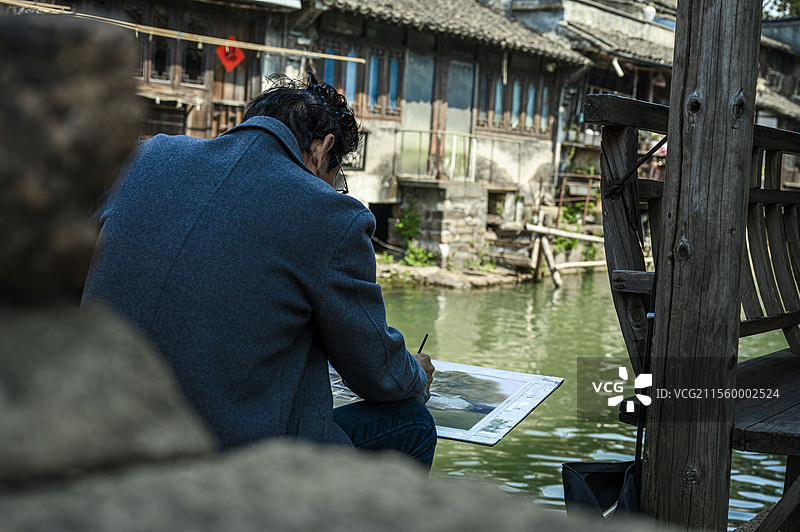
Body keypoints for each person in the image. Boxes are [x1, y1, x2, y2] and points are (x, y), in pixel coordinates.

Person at [82, 74, 437, 469]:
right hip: (224, 462)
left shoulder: (146, 157)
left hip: (93, 431)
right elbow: (377, 373)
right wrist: (415, 376)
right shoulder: (331, 215)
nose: (333, 188)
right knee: (412, 423)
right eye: (337, 179)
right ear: (323, 149)